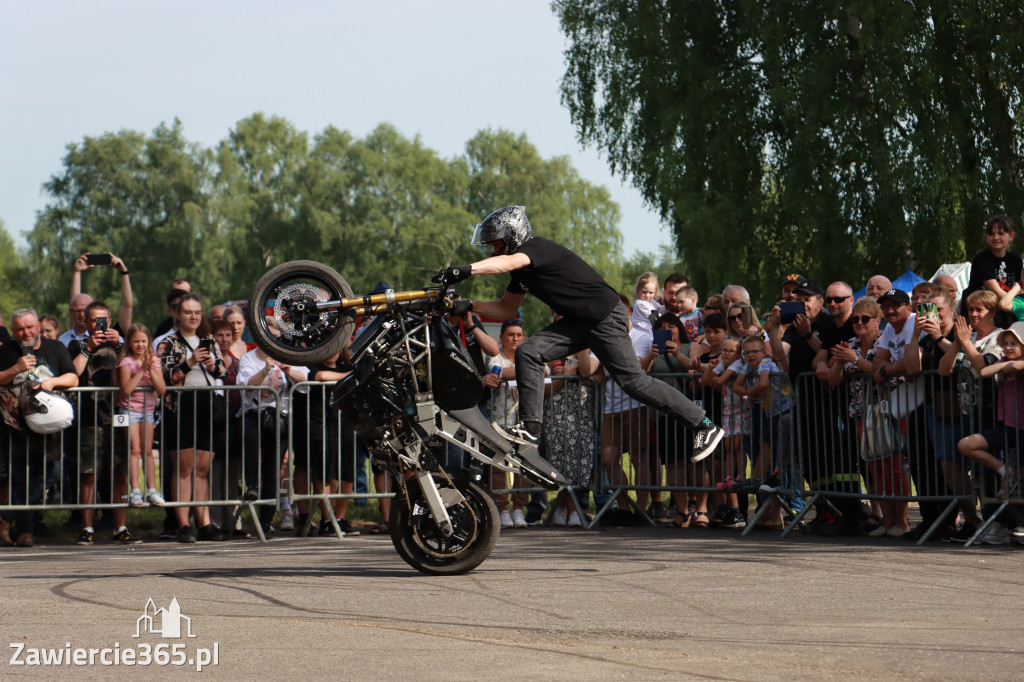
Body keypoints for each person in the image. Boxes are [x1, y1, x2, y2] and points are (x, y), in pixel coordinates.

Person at [449, 206, 723, 462]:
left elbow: (506, 262)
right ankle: (531, 430)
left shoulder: (536, 248)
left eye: (496, 243)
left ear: (511, 237)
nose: (494, 250)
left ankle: (704, 424)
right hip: (579, 322)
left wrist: (468, 269)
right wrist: (470, 305)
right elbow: (505, 308)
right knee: (529, 352)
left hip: (604, 315)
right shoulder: (521, 274)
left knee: (634, 382)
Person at [826, 297, 909, 537]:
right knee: (875, 467)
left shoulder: (886, 341)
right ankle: (887, 520)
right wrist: (840, 363)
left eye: (865, 318)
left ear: (877, 320)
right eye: (855, 319)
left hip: (889, 410)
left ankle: (901, 522)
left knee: (895, 467)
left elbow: (878, 370)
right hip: (863, 413)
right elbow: (833, 380)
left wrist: (853, 359)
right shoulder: (850, 343)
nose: (859, 323)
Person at [0, 308, 78, 547]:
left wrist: (52, 382)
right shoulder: (6, 352)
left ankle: (5, 518)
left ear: (38, 326)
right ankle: (25, 531)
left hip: (48, 426)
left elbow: (73, 378)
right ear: (13, 331)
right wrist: (16, 369)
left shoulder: (55, 348)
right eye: (20, 329)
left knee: (50, 474)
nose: (26, 333)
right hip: (16, 428)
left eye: (30, 327)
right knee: (19, 478)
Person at [67, 301, 143, 546]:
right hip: (90, 417)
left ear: (109, 320)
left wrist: (121, 342)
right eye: (94, 321)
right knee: (90, 474)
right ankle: (87, 527)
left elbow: (137, 362)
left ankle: (121, 526)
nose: (100, 325)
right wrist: (88, 348)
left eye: (104, 320)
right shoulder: (76, 345)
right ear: (86, 322)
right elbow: (72, 375)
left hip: (120, 414)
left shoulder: (121, 344)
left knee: (120, 473)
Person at [157, 293, 228, 543]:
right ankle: (183, 524)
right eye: (188, 312)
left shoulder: (208, 340)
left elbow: (223, 371)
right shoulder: (167, 343)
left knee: (202, 469)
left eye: (197, 312)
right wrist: (189, 362)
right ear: (178, 314)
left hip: (206, 405)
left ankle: (205, 522)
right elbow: (166, 379)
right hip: (180, 407)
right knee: (184, 468)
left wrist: (210, 364)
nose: (193, 317)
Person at [486, 318, 533, 528]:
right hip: (500, 421)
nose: (515, 338)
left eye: (519, 335)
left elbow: (547, 371)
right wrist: (531, 371)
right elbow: (497, 372)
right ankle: (502, 509)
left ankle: (519, 509)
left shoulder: (528, 356)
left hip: (525, 421)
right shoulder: (495, 356)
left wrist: (534, 369)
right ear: (502, 337)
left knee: (526, 466)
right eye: (511, 335)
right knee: (499, 467)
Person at [116, 324, 166, 508]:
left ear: (148, 342)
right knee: (134, 449)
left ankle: (152, 490)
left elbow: (162, 390)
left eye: (143, 341)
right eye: (136, 341)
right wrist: (141, 370)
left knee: (147, 451)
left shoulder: (155, 362)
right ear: (129, 342)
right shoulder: (126, 362)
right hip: (129, 411)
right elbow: (127, 388)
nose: (140, 345)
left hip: (148, 411)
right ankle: (135, 490)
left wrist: (150, 369)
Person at [962, 215, 1022, 326]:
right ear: (986, 237)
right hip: (981, 308)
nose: (995, 237)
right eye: (991, 234)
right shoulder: (982, 259)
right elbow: (995, 291)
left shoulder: (1016, 260)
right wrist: (1016, 305)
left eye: (1001, 233)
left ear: (1011, 236)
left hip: (1005, 307)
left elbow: (1020, 287)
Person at [632, 272, 660, 336]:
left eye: (651, 293)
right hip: (641, 336)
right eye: (644, 292)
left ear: (655, 292)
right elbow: (655, 318)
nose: (647, 295)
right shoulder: (640, 304)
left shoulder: (652, 302)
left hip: (649, 336)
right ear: (638, 290)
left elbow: (660, 308)